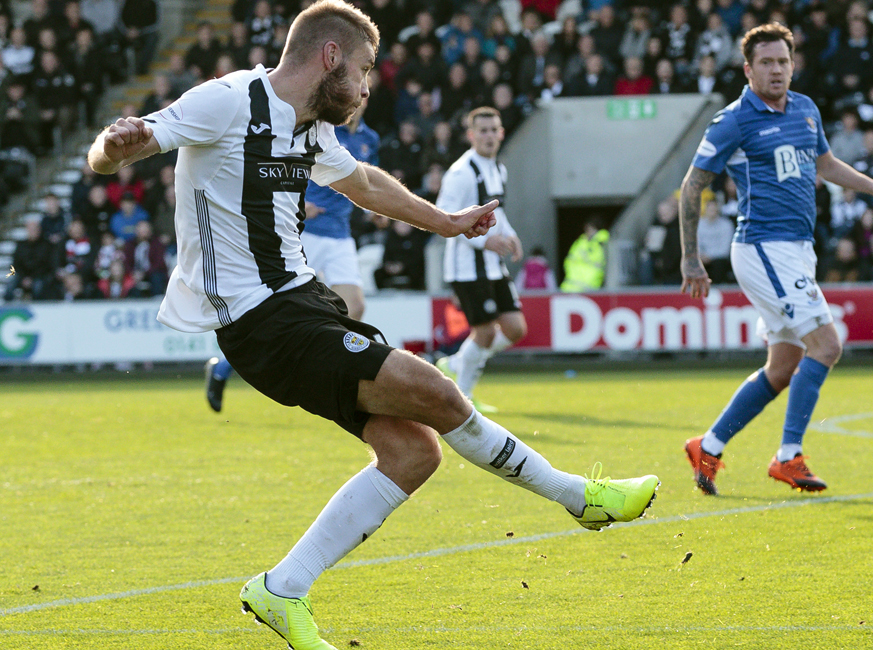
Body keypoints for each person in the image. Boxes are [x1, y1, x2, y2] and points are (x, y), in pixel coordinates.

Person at [85, 4, 658, 649]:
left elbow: (362, 183)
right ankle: (578, 496)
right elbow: (114, 153)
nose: (364, 87)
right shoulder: (226, 101)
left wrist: (445, 222)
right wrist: (113, 144)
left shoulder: (309, 128)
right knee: (438, 393)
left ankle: (283, 588)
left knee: (415, 451)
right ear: (330, 57)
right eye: (361, 71)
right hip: (260, 320)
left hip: (305, 302)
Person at [678, 23, 873, 496]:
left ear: (792, 64)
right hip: (762, 246)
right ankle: (788, 457)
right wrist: (691, 258)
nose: (777, 69)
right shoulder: (734, 120)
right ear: (748, 68)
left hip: (798, 249)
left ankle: (710, 445)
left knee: (782, 367)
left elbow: (825, 164)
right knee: (827, 346)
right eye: (766, 62)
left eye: (783, 61)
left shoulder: (805, 109)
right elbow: (693, 186)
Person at [204, 94, 380, 412]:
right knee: (276, 311)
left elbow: (364, 184)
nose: (358, 98)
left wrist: (374, 212)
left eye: (363, 94)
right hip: (306, 233)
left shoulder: (370, 139)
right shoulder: (318, 130)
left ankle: (326, 375)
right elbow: (284, 169)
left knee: (354, 308)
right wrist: (300, 203)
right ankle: (222, 368)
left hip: (341, 235)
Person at [431, 106, 525, 414]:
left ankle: (459, 361)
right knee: (484, 333)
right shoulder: (460, 173)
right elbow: (444, 220)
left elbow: (501, 213)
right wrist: (486, 241)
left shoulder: (499, 168)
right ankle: (466, 397)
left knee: (516, 329)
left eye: (493, 130)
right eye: (482, 130)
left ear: (501, 133)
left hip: (492, 266)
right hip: (466, 267)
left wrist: (511, 236)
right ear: (471, 135)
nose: (488, 136)